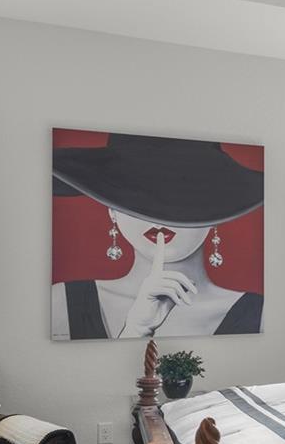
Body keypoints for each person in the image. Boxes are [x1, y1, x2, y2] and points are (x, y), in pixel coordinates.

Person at [50, 134, 263, 339]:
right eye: (136, 194)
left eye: (183, 195)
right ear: (111, 210)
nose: (158, 218)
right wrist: (135, 330)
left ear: (219, 212)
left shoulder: (261, 315)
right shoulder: (61, 303)